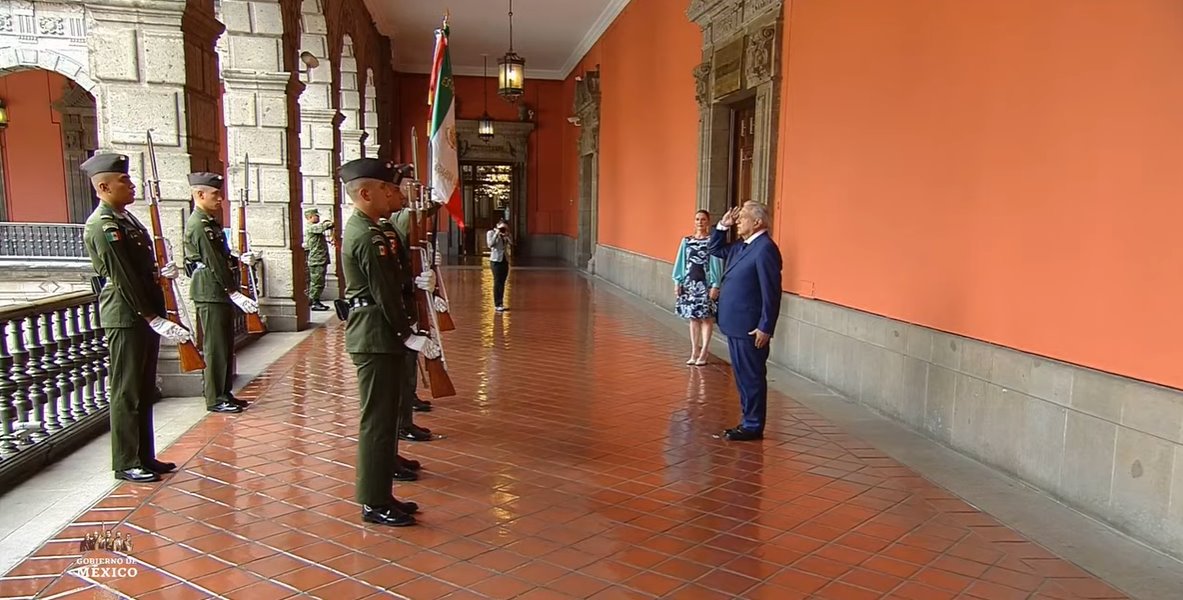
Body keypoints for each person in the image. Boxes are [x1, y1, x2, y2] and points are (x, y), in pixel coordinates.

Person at [81, 152, 189, 483]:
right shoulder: (103, 225)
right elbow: (123, 276)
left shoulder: (126, 219)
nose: (131, 185)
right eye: (124, 181)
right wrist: (151, 315)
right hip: (126, 314)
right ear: (103, 186)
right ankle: (126, 460)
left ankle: (144, 454)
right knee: (126, 390)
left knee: (143, 386)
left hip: (141, 311)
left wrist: (159, 272)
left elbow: (139, 268)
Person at [340, 157, 435, 526]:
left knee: (386, 414)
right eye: (386, 188)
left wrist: (416, 285)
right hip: (375, 336)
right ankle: (373, 500)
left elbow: (395, 284)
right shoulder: (365, 234)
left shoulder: (375, 228)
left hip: (382, 335)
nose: (393, 194)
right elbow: (383, 295)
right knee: (377, 421)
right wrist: (407, 334)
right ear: (365, 193)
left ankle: (383, 491)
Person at [183, 172, 260, 414]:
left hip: (218, 290)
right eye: (215, 194)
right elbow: (214, 261)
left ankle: (225, 392)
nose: (220, 199)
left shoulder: (210, 222)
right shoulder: (198, 224)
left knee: (225, 345)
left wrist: (238, 258)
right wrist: (233, 291)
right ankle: (215, 398)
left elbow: (223, 255)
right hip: (210, 291)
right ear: (199, 194)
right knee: (215, 347)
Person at [708, 201, 782, 441]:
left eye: (743, 218)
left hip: (750, 327)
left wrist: (765, 326)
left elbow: (771, 292)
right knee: (742, 376)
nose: (738, 221)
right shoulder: (743, 246)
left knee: (751, 376)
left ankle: (752, 425)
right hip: (736, 324)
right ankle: (747, 420)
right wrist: (721, 226)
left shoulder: (765, 249)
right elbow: (715, 249)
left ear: (758, 222)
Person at [673, 209, 724, 366]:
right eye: (697, 219)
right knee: (693, 318)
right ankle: (694, 350)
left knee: (706, 318)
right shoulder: (686, 241)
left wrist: (716, 284)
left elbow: (716, 263)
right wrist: (677, 282)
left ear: (708, 222)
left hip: (705, 285)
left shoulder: (712, 242)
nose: (700, 222)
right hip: (690, 284)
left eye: (703, 219)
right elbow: (680, 262)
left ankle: (704, 351)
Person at [304, 207, 334, 311]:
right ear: (310, 217)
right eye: (316, 215)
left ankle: (316, 301)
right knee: (316, 282)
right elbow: (323, 227)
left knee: (319, 282)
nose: (318, 217)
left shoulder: (314, 227)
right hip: (316, 259)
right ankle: (314, 302)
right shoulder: (311, 227)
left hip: (320, 258)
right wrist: (330, 222)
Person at [486, 218, 511, 311]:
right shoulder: (490, 233)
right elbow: (490, 244)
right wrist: (497, 234)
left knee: (503, 282)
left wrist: (506, 235)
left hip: (505, 260)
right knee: (497, 282)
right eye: (501, 227)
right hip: (496, 260)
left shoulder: (505, 233)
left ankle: (501, 302)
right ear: (497, 225)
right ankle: (497, 304)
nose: (502, 229)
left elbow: (512, 243)